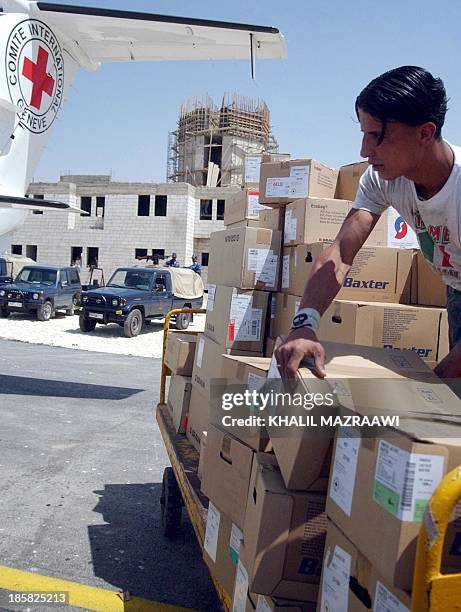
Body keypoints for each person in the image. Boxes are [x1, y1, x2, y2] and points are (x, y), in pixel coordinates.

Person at [276, 65, 461, 380]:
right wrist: (304, 324)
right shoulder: (382, 179)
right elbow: (342, 253)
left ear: (425, 133)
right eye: (363, 133)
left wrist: (435, 385)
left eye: (377, 135)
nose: (364, 150)